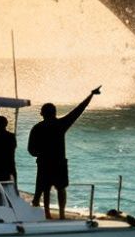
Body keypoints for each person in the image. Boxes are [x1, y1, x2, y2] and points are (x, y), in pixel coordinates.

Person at [29, 87, 99, 218]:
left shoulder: (37, 128)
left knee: (46, 189)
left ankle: (47, 214)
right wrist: (91, 95)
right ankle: (61, 214)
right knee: (61, 189)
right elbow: (79, 110)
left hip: (44, 163)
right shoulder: (60, 124)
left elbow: (31, 150)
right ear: (54, 113)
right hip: (59, 163)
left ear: (42, 114)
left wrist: (40, 154)